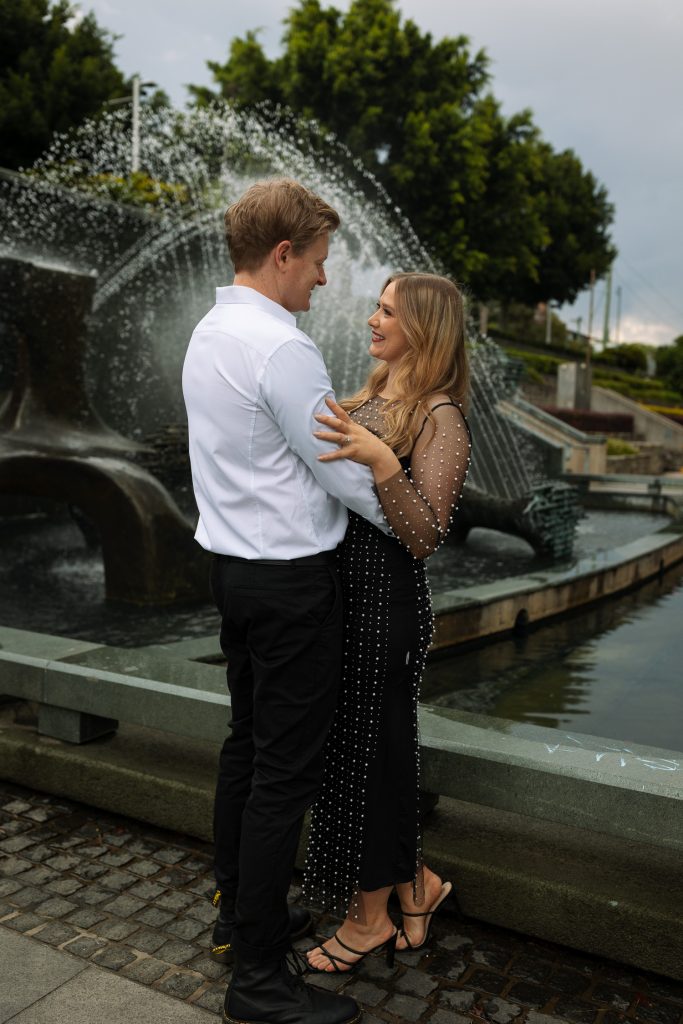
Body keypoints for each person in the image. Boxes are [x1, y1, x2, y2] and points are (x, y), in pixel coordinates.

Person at [182, 178, 391, 1024]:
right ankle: (260, 980)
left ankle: (240, 918)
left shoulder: (208, 329)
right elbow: (341, 468)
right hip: (291, 585)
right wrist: (408, 511)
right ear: (281, 255)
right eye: (316, 261)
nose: (323, 280)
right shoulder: (281, 348)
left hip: (232, 573)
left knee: (246, 750)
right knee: (283, 777)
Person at [303, 271, 472, 972]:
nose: (371, 319)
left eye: (386, 311)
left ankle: (367, 920)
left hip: (388, 609)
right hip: (340, 604)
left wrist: (380, 463)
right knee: (364, 759)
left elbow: (425, 535)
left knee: (369, 764)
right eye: (375, 306)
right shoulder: (367, 395)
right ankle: (417, 886)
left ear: (423, 330)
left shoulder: (442, 417)